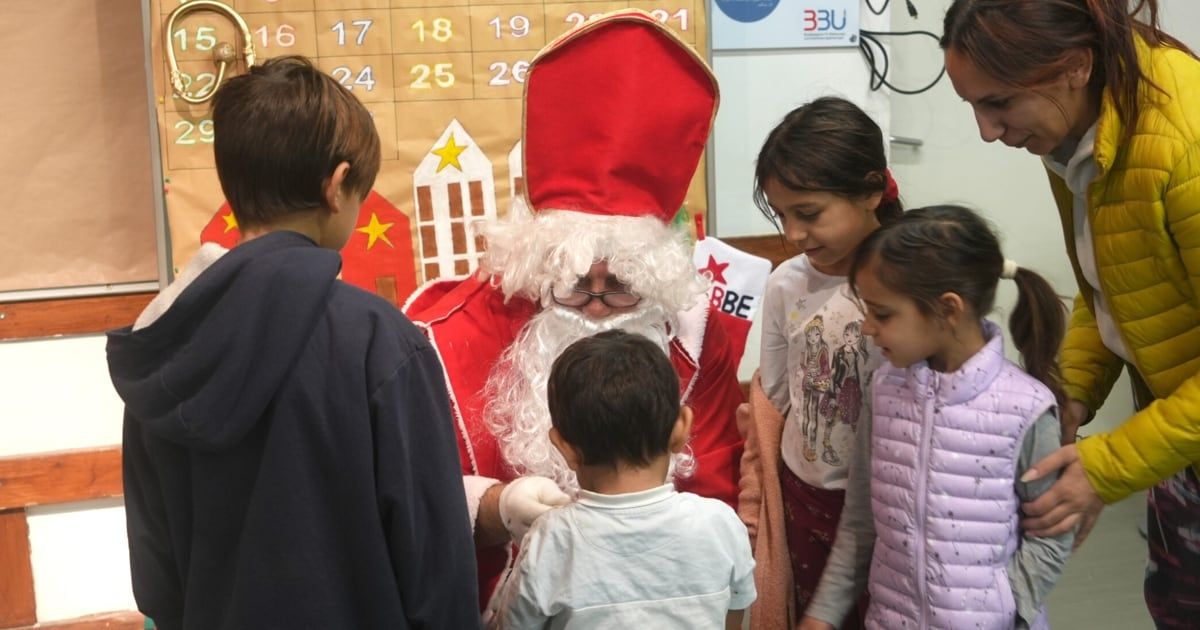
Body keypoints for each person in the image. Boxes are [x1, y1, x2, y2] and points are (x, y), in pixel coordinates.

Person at [107, 56, 479, 629]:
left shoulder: (165, 344)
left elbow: (156, 582)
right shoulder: (378, 342)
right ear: (336, 187)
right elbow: (438, 570)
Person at [402, 10, 745, 612]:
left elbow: (715, 489)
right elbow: (410, 484)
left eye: (620, 289)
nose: (594, 306)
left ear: (656, 283)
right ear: (538, 273)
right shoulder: (446, 334)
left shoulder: (695, 336)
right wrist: (493, 506)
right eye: (573, 285)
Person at [941, 2, 1200, 625]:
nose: (987, 130)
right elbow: (1113, 286)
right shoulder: (1079, 134)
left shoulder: (1183, 143)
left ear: (1075, 66)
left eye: (998, 103)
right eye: (973, 106)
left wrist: (1106, 469)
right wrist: (1069, 400)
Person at [798, 205, 1075, 630]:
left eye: (883, 314)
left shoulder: (1027, 408)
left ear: (949, 309)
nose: (868, 328)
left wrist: (1007, 610)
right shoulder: (883, 388)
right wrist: (822, 615)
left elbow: (1051, 537)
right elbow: (859, 525)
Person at [738, 97, 902, 629]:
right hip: (804, 502)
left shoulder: (911, 283)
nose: (793, 235)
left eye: (808, 214)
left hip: (890, 508)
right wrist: (757, 499)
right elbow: (773, 400)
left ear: (872, 190)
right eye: (782, 215)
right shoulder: (788, 282)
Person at [491, 330, 756, 628]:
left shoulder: (551, 540)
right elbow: (734, 617)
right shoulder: (721, 524)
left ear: (564, 446)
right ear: (681, 428)